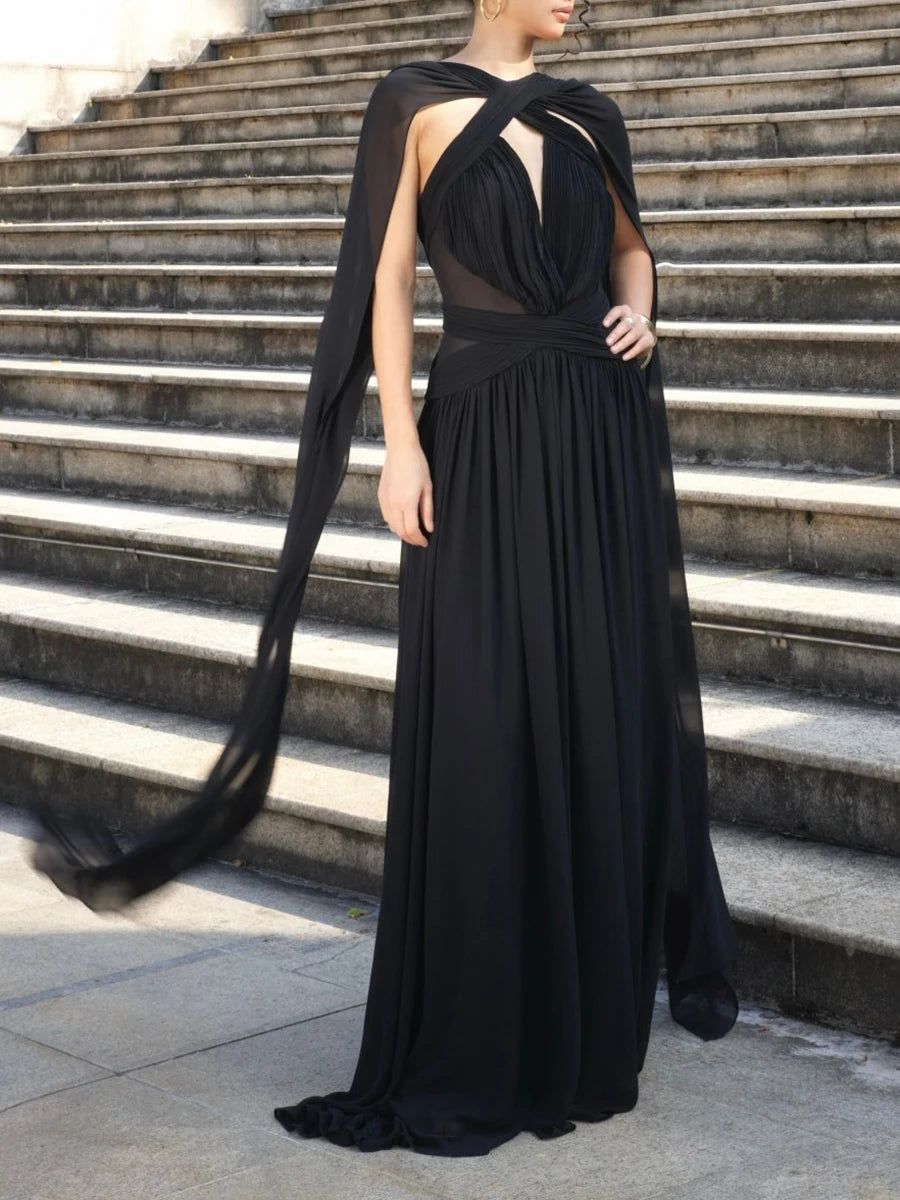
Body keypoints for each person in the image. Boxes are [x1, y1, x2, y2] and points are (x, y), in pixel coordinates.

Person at [29, 0, 739, 1159]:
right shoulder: (408, 100)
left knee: (595, 704)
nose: (582, 1)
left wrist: (640, 317)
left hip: (595, 438)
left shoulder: (589, 111)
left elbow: (628, 248)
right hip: (478, 434)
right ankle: (486, 1012)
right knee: (484, 709)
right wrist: (400, 442)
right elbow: (388, 280)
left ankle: (591, 1012)